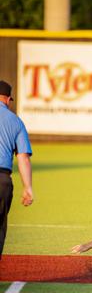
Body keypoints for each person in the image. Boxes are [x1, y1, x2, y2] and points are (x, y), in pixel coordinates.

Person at [0, 80, 33, 258]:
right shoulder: (15, 121)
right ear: (8, 99)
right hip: (2, 180)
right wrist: (27, 188)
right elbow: (23, 157)